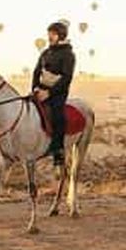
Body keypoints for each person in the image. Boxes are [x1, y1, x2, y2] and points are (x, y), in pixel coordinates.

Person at [32, 20, 76, 168]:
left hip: (57, 93)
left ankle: (58, 150)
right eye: (49, 34)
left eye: (53, 34)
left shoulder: (68, 55)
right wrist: (35, 88)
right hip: (41, 89)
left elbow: (66, 78)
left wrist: (49, 93)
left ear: (61, 35)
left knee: (58, 115)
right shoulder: (45, 52)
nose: (49, 37)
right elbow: (36, 72)